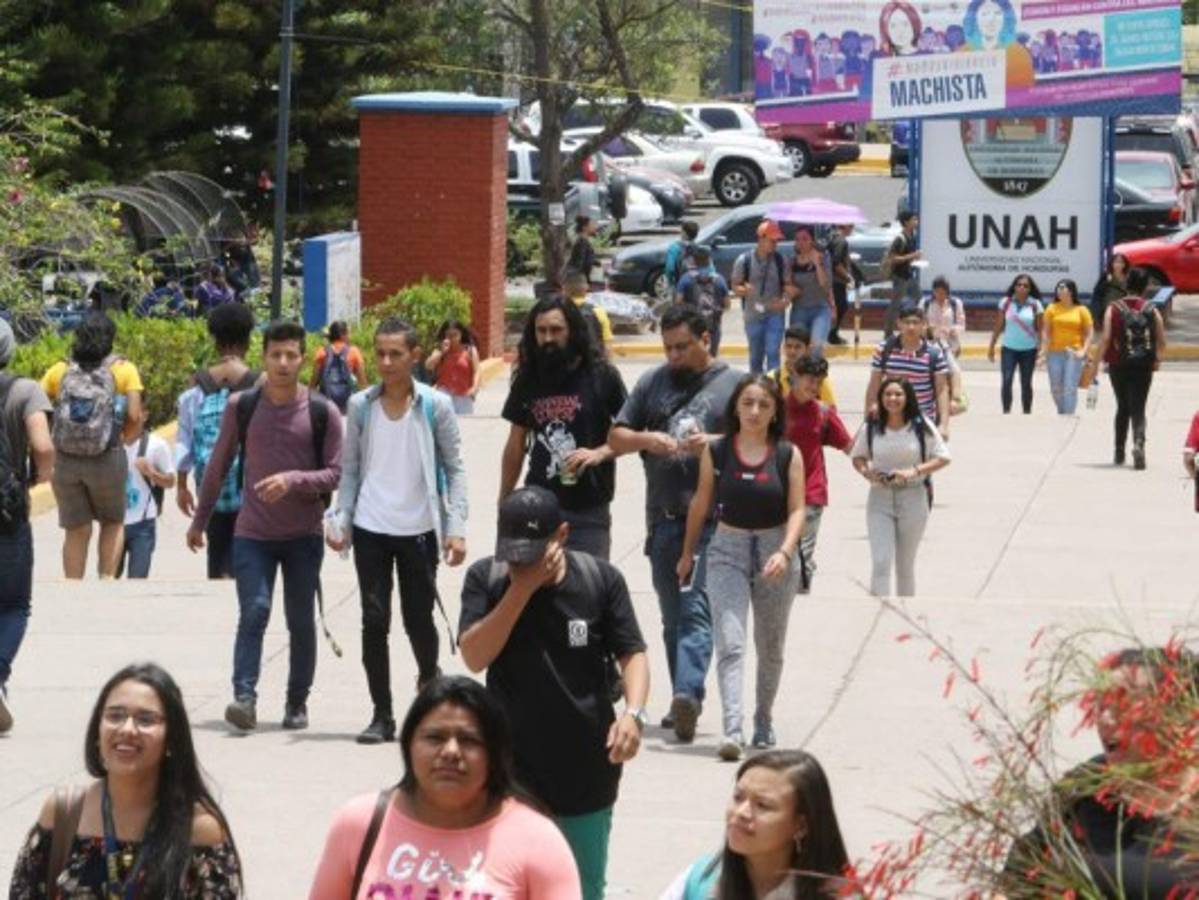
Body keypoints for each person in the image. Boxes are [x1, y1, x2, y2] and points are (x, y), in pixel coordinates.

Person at [459, 486, 650, 900]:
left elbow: (632, 654)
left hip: (585, 773)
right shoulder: (486, 579)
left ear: (561, 535)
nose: (520, 562)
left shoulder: (600, 580)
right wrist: (520, 591)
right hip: (511, 773)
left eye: (532, 552)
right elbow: (474, 655)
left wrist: (633, 714)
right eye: (513, 551)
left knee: (580, 890)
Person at [186, 320, 343, 732]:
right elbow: (218, 465)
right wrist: (199, 522)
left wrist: (294, 480)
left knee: (298, 620)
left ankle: (296, 701)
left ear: (303, 359)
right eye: (276, 355)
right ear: (263, 357)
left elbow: (336, 474)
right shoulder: (243, 405)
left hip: (303, 537)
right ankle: (244, 698)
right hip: (252, 534)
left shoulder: (322, 411)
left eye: (292, 355)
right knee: (253, 611)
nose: (284, 362)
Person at [308, 675, 581, 899]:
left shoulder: (538, 841)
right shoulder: (359, 823)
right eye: (435, 737)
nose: (451, 751)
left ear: (495, 754)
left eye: (469, 740)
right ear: (409, 745)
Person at [330, 317, 468, 745]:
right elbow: (349, 470)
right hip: (372, 526)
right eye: (380, 353)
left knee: (418, 619)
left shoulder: (434, 406)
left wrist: (456, 527)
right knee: (374, 620)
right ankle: (382, 714)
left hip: (420, 529)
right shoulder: (360, 406)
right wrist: (341, 520)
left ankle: (429, 675)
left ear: (413, 355)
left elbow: (454, 468)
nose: (386, 362)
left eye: (396, 354)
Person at [610, 306, 742, 742]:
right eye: (667, 347)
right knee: (672, 618)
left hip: (714, 523)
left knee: (695, 611)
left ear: (707, 338)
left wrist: (716, 442)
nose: (673, 356)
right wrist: (649, 439)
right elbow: (617, 437)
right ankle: (681, 701)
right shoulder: (653, 382)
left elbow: (762, 440)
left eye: (682, 346)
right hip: (664, 521)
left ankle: (688, 693)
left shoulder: (735, 385)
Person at [9, 663, 243, 897]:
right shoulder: (64, 813)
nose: (127, 729)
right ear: (97, 730)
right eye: (115, 716)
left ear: (172, 738)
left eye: (146, 719)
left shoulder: (199, 828)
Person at [678, 375, 805, 760]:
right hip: (726, 551)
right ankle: (732, 728)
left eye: (763, 405)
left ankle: (762, 719)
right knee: (730, 642)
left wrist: (784, 552)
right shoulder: (716, 452)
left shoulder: (787, 454)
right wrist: (687, 553)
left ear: (774, 412)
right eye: (747, 403)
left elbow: (798, 509)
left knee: (770, 647)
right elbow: (701, 503)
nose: (754, 411)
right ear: (735, 407)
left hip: (774, 553)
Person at [1002, 648, 1199, 896]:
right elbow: (1020, 880)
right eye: (1101, 704)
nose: (1106, 719)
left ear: (1179, 715)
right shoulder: (1083, 787)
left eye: (1125, 704)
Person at [500, 295, 627, 560]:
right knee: (535, 595)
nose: (548, 338)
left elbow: (631, 432)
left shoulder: (602, 376)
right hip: (538, 508)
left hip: (589, 510)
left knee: (589, 593)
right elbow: (516, 443)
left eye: (556, 330)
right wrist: (505, 500)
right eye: (541, 330)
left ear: (573, 331)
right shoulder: (528, 379)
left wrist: (600, 453)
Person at [659, 750, 850, 900]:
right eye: (738, 797)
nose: (741, 812)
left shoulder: (841, 895)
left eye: (763, 805)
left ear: (801, 825)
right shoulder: (701, 881)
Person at [41, 312, 144, 579]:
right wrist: (122, 441)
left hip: (65, 460)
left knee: (76, 528)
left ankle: (73, 588)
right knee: (112, 521)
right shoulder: (123, 370)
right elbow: (134, 416)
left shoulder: (60, 370)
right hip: (107, 457)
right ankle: (105, 584)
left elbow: (39, 409)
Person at [175, 302, 260, 579]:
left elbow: (185, 440)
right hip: (250, 486)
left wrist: (181, 486)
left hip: (210, 486)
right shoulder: (258, 382)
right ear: (248, 339)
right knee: (249, 553)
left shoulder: (198, 384)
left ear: (214, 340)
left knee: (218, 547)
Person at [0, 318, 53, 734]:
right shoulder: (24, 390)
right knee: (15, 604)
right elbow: (43, 445)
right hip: (7, 513)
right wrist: (38, 477)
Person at [851, 377, 951, 597]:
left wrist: (913, 471)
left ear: (908, 398)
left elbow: (943, 457)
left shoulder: (920, 425)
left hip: (914, 498)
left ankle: (905, 615)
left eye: (898, 394)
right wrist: (866, 472)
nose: (892, 399)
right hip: (879, 498)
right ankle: (879, 610)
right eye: (887, 394)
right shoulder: (872, 425)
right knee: (881, 561)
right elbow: (857, 456)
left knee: (905, 566)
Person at [784, 356, 852, 596]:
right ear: (794, 375)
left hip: (811, 493)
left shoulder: (823, 412)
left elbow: (849, 446)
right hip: (776, 492)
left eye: (819, 382)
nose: (813, 387)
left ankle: (801, 595)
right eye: (809, 380)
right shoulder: (774, 409)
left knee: (802, 552)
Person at [1097, 267, 1166, 469]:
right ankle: (1138, 443)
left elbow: (1106, 337)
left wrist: (1098, 360)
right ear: (1145, 287)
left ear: (1127, 284)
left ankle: (1119, 451)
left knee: (1122, 406)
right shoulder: (1151, 309)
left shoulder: (1114, 308)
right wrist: (1157, 360)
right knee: (1139, 408)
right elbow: (1161, 340)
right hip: (1143, 364)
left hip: (1118, 363)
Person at [864, 303, 950, 435]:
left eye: (915, 322)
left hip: (923, 422)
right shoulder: (884, 349)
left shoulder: (934, 353)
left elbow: (941, 390)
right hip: (890, 421)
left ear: (923, 325)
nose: (911, 327)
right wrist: (868, 418)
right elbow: (874, 384)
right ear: (899, 324)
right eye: (906, 322)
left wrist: (944, 425)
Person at [119, 406, 175, 579]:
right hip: (113, 525)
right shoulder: (110, 446)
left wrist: (151, 473)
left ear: (145, 414)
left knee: (137, 580)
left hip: (143, 524)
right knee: (108, 579)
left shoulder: (157, 445)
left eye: (136, 410)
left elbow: (170, 481)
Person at [731, 220, 788, 375]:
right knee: (756, 356)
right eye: (772, 240)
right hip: (753, 315)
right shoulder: (744, 261)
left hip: (774, 314)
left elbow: (788, 285)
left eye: (777, 240)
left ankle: (773, 386)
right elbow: (735, 286)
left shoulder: (780, 260)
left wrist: (785, 300)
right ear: (761, 238)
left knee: (772, 352)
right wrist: (744, 290)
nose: (775, 244)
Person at [987, 273, 1044, 415]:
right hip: (1009, 349)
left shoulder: (1035, 305)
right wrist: (992, 346)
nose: (1021, 287)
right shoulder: (1005, 303)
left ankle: (1026, 411)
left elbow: (1040, 330)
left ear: (1030, 289)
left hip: (1029, 350)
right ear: (1014, 286)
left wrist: (1040, 350)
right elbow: (999, 325)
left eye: (1025, 285)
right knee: (1006, 381)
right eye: (1018, 285)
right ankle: (1006, 411)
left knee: (1026, 383)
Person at [1042, 278, 1094, 416]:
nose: (1059, 289)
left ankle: (1067, 415)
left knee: (1070, 386)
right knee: (1055, 387)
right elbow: (1046, 332)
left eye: (1063, 287)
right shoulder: (1051, 308)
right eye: (1058, 287)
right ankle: (1062, 411)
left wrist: (1084, 351)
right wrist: (1043, 353)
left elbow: (1089, 333)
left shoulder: (1081, 310)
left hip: (1074, 353)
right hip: (1054, 352)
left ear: (1071, 290)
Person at [783, 226, 832, 356]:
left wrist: (817, 264)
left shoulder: (823, 257)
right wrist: (790, 289)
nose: (801, 242)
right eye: (798, 239)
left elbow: (825, 285)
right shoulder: (791, 260)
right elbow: (786, 283)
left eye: (805, 239)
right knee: (798, 349)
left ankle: (816, 374)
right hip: (799, 309)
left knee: (816, 346)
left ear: (812, 240)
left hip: (820, 309)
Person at [675, 245, 731, 357]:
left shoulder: (686, 278)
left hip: (693, 326)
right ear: (709, 260)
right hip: (713, 326)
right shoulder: (718, 279)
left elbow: (678, 302)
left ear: (694, 261)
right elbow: (727, 304)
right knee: (711, 358)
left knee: (693, 357)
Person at [769, 325, 838, 408]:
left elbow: (831, 410)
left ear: (808, 349)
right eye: (789, 346)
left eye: (798, 347)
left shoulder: (818, 379)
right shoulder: (772, 378)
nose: (792, 352)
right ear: (783, 347)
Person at [425, 319, 482, 415]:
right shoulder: (439, 350)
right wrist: (442, 352)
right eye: (448, 335)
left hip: (463, 395)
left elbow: (477, 371)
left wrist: (474, 388)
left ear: (461, 334)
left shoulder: (470, 350)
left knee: (465, 425)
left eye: (455, 335)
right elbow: (428, 365)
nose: (452, 338)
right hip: (443, 394)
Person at [310, 321, 367, 414]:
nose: (350, 336)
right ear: (342, 335)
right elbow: (363, 384)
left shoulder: (321, 352)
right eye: (348, 333)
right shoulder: (354, 352)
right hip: (348, 407)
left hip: (326, 408)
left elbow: (313, 384)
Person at [883, 211, 922, 336]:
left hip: (908, 274)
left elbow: (907, 257)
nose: (916, 221)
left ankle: (909, 322)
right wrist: (911, 256)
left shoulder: (912, 236)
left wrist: (915, 259)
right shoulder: (900, 239)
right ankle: (888, 333)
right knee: (895, 304)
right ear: (906, 222)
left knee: (917, 295)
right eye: (914, 219)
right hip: (899, 276)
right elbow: (892, 258)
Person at [565, 271, 614, 358]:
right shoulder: (599, 312)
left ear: (564, 289)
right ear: (587, 288)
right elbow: (608, 347)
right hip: (593, 364)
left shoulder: (559, 312)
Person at [920, 275, 966, 358]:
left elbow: (961, 325)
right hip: (930, 345)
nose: (940, 296)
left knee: (952, 369)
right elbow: (919, 323)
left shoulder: (955, 304)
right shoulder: (925, 303)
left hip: (950, 345)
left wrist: (953, 330)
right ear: (933, 291)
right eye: (937, 292)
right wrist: (927, 329)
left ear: (947, 292)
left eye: (943, 293)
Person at [826, 223, 853, 345]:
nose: (852, 229)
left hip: (832, 280)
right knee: (840, 307)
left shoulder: (832, 238)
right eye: (851, 226)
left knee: (838, 307)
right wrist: (848, 277)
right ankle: (832, 334)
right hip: (837, 281)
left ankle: (832, 333)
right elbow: (836, 263)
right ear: (845, 226)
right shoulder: (841, 241)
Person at [1091, 252, 1130, 329]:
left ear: (1125, 264)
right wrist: (1096, 315)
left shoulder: (1129, 278)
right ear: (1112, 264)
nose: (1118, 265)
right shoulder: (1106, 276)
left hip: (1124, 311)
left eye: (1121, 262)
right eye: (1116, 262)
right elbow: (1097, 294)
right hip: (1107, 310)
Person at [665, 221, 700, 291]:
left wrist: (670, 282)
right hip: (695, 285)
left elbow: (670, 268)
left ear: (684, 233)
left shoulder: (674, 248)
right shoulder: (698, 248)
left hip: (679, 285)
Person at [568, 215, 599, 284]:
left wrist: (597, 263)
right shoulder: (582, 242)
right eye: (592, 225)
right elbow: (579, 264)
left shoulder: (583, 241)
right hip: (580, 282)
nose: (595, 227)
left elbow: (586, 258)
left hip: (583, 280)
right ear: (584, 228)